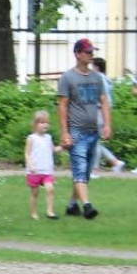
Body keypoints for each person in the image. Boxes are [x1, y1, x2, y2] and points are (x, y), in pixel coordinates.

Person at [57, 38, 111, 219]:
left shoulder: (97, 78)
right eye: (87, 52)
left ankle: (72, 206)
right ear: (77, 54)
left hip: (93, 131)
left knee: (85, 172)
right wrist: (65, 132)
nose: (91, 55)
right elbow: (63, 106)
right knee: (79, 169)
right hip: (76, 131)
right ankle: (87, 206)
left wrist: (107, 125)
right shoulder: (68, 78)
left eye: (91, 52)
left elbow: (103, 101)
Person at [88, 57, 125, 176]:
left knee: (95, 141)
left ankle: (95, 169)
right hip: (100, 112)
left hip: (98, 112)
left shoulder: (100, 79)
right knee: (95, 141)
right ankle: (115, 162)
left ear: (96, 67)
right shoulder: (105, 79)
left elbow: (103, 99)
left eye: (92, 66)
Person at [24, 110, 62, 220]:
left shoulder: (48, 138)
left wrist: (63, 147)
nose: (45, 124)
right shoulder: (31, 139)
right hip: (34, 171)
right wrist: (30, 165)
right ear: (35, 124)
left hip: (46, 170)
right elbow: (27, 153)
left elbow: (53, 149)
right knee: (34, 193)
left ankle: (50, 211)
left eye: (46, 122)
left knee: (50, 189)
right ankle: (33, 212)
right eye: (41, 122)